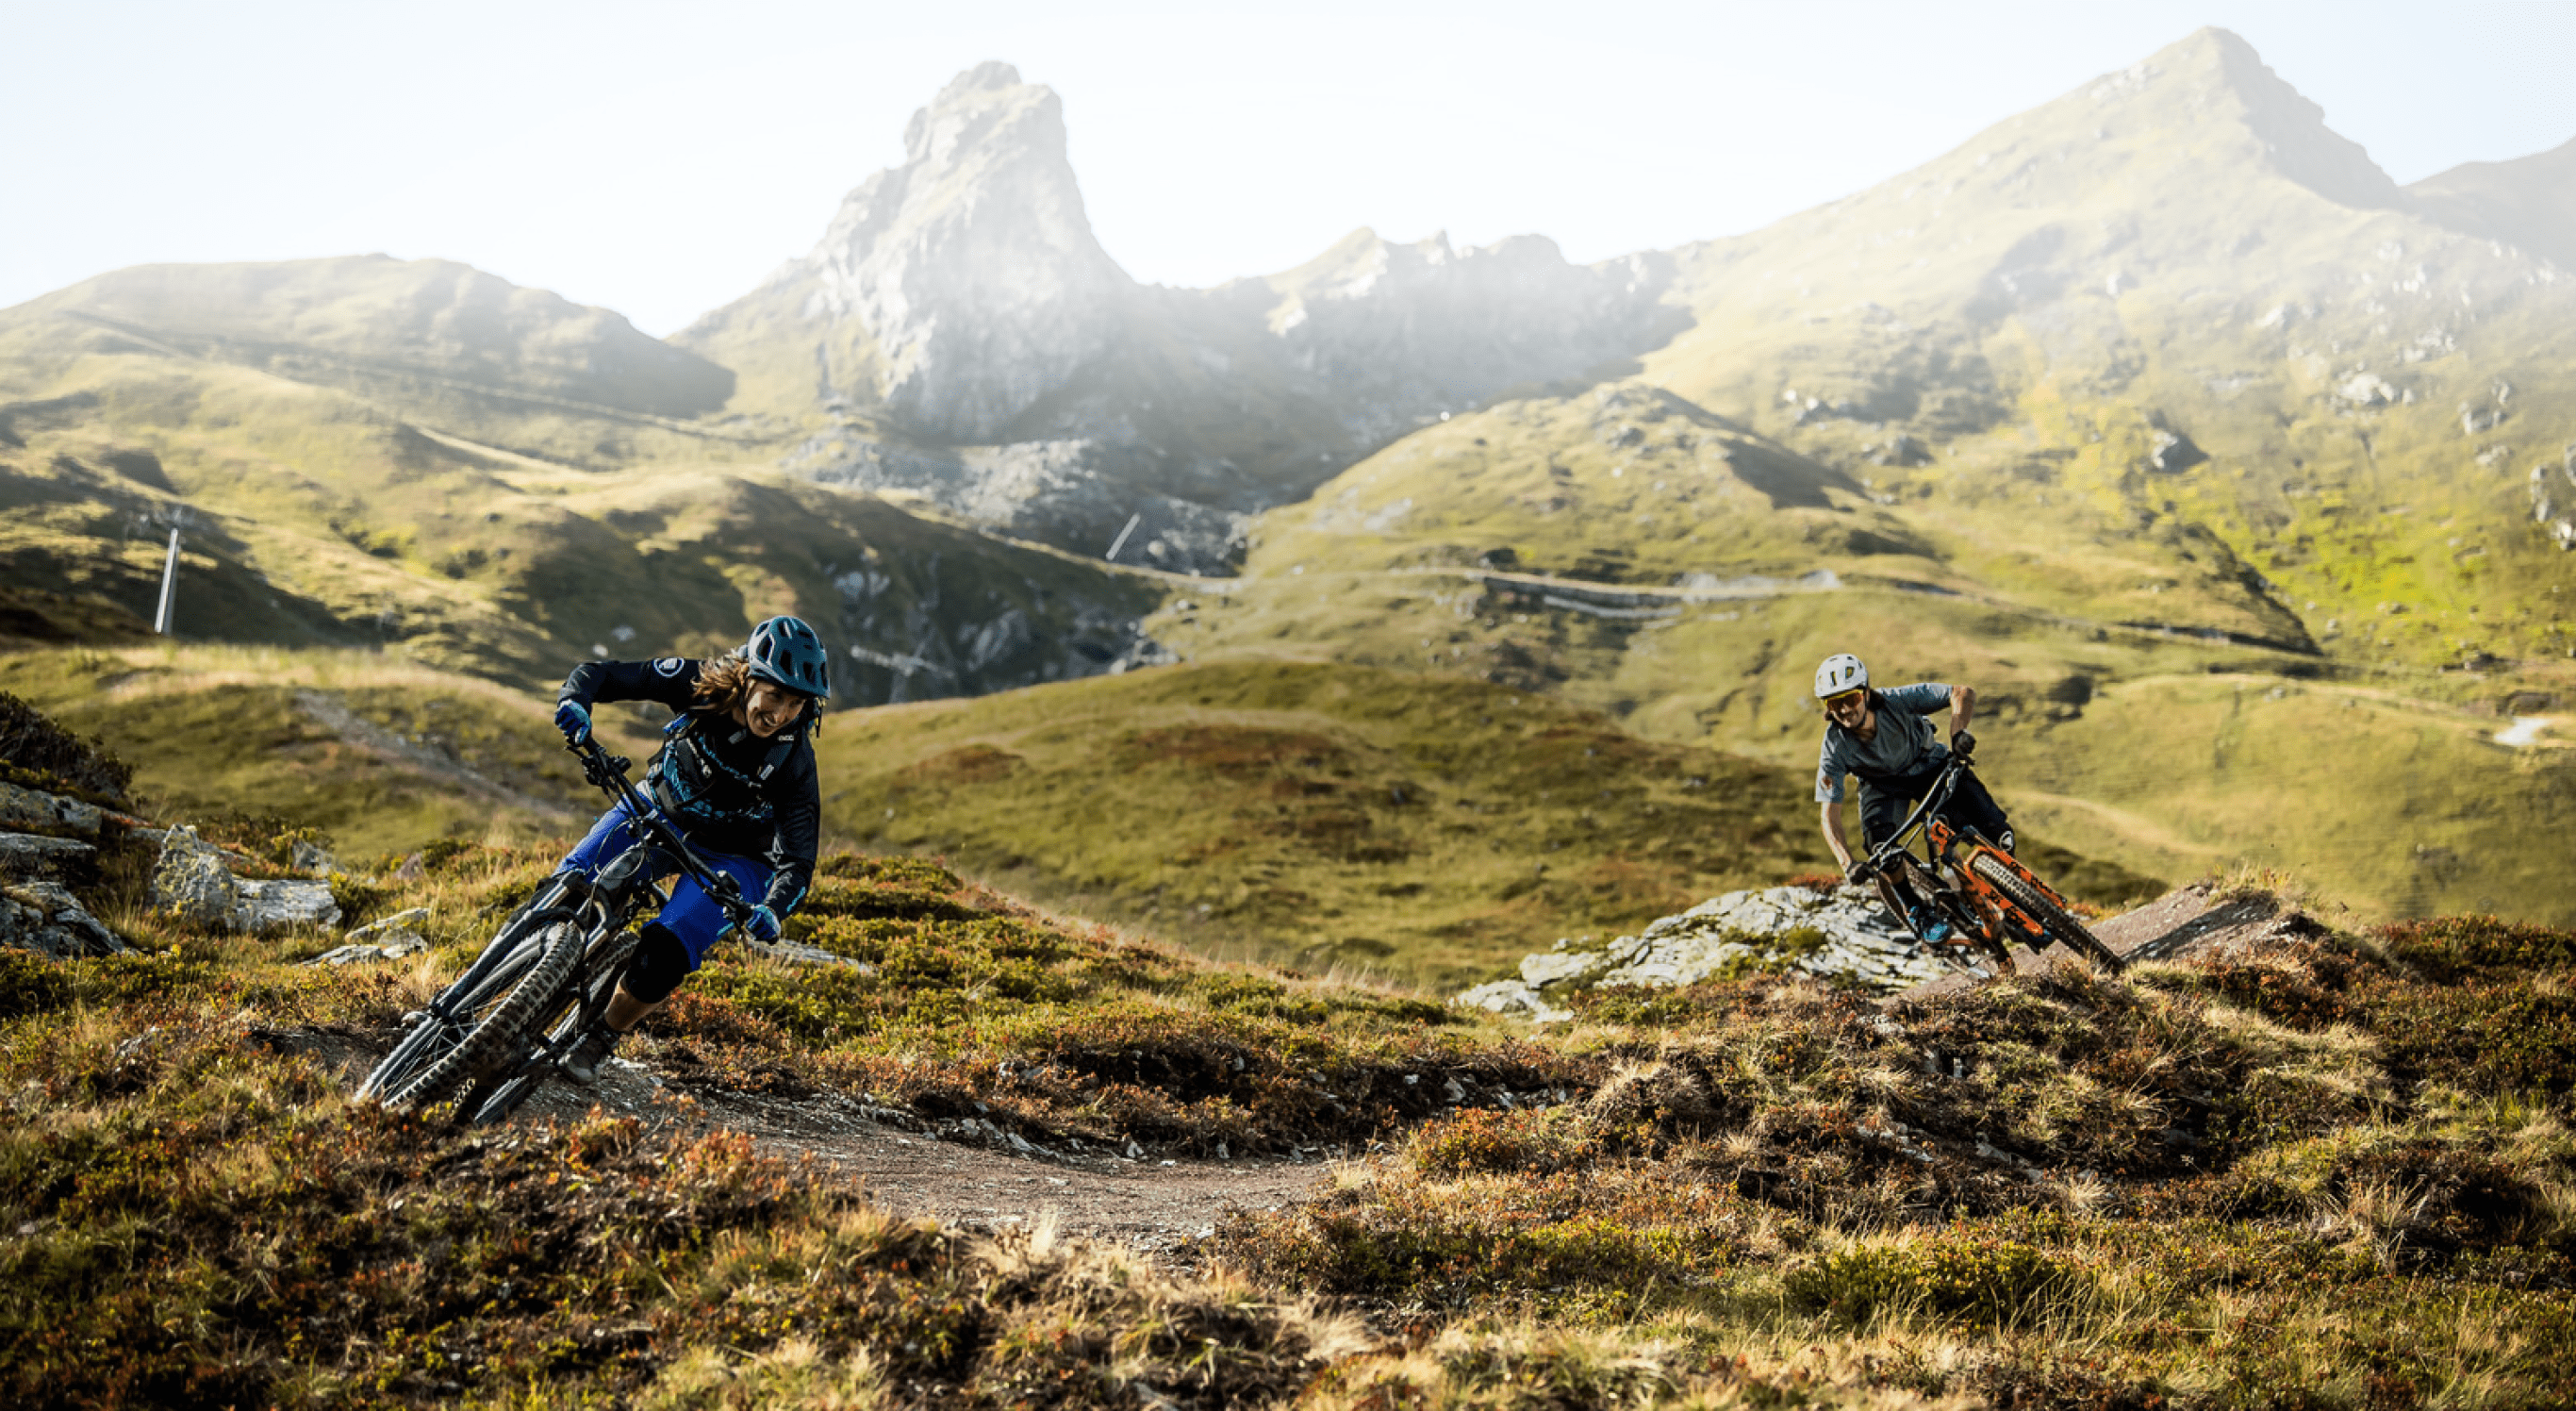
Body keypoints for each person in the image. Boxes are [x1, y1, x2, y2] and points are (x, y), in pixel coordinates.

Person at [546, 615, 832, 1082]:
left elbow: (798, 862)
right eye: (775, 694)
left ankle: (599, 1038)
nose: (780, 713)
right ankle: (471, 998)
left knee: (665, 952)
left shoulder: (795, 760)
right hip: (659, 810)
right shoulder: (699, 684)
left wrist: (774, 909)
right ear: (747, 676)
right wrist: (575, 702)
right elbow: (600, 674)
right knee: (565, 889)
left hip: (734, 860)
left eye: (796, 703)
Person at [1810, 652, 2013, 946]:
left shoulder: (1896, 701)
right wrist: (1847, 863)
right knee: (1882, 848)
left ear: (1866, 693)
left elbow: (1961, 693)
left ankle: (2015, 898)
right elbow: (1829, 815)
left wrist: (1958, 734)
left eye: (1850, 699)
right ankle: (1917, 910)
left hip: (1929, 764)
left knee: (1998, 832)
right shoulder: (1834, 747)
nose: (1843, 709)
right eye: (1833, 703)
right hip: (1883, 789)